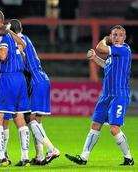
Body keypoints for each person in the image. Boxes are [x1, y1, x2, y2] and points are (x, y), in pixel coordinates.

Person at [65, 25, 134, 166]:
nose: (116, 37)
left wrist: (104, 39)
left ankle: (129, 158)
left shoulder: (123, 50)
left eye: (119, 35)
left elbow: (100, 47)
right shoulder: (114, 54)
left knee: (114, 128)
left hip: (119, 94)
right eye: (114, 35)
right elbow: (106, 65)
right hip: (106, 95)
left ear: (124, 38)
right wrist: (94, 58)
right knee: (95, 124)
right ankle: (83, 157)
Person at [0, 9, 30, 167]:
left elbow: (2, 55)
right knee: (19, 117)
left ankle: (1, 157)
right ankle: (25, 157)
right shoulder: (10, 34)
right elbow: (23, 44)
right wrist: (9, 30)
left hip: (6, 78)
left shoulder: (0, 35)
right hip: (20, 80)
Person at [9, 19, 60, 165]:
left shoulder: (18, 42)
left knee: (30, 119)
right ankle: (39, 156)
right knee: (36, 120)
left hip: (35, 81)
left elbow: (21, 60)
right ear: (21, 28)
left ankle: (51, 149)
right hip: (42, 78)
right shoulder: (27, 38)